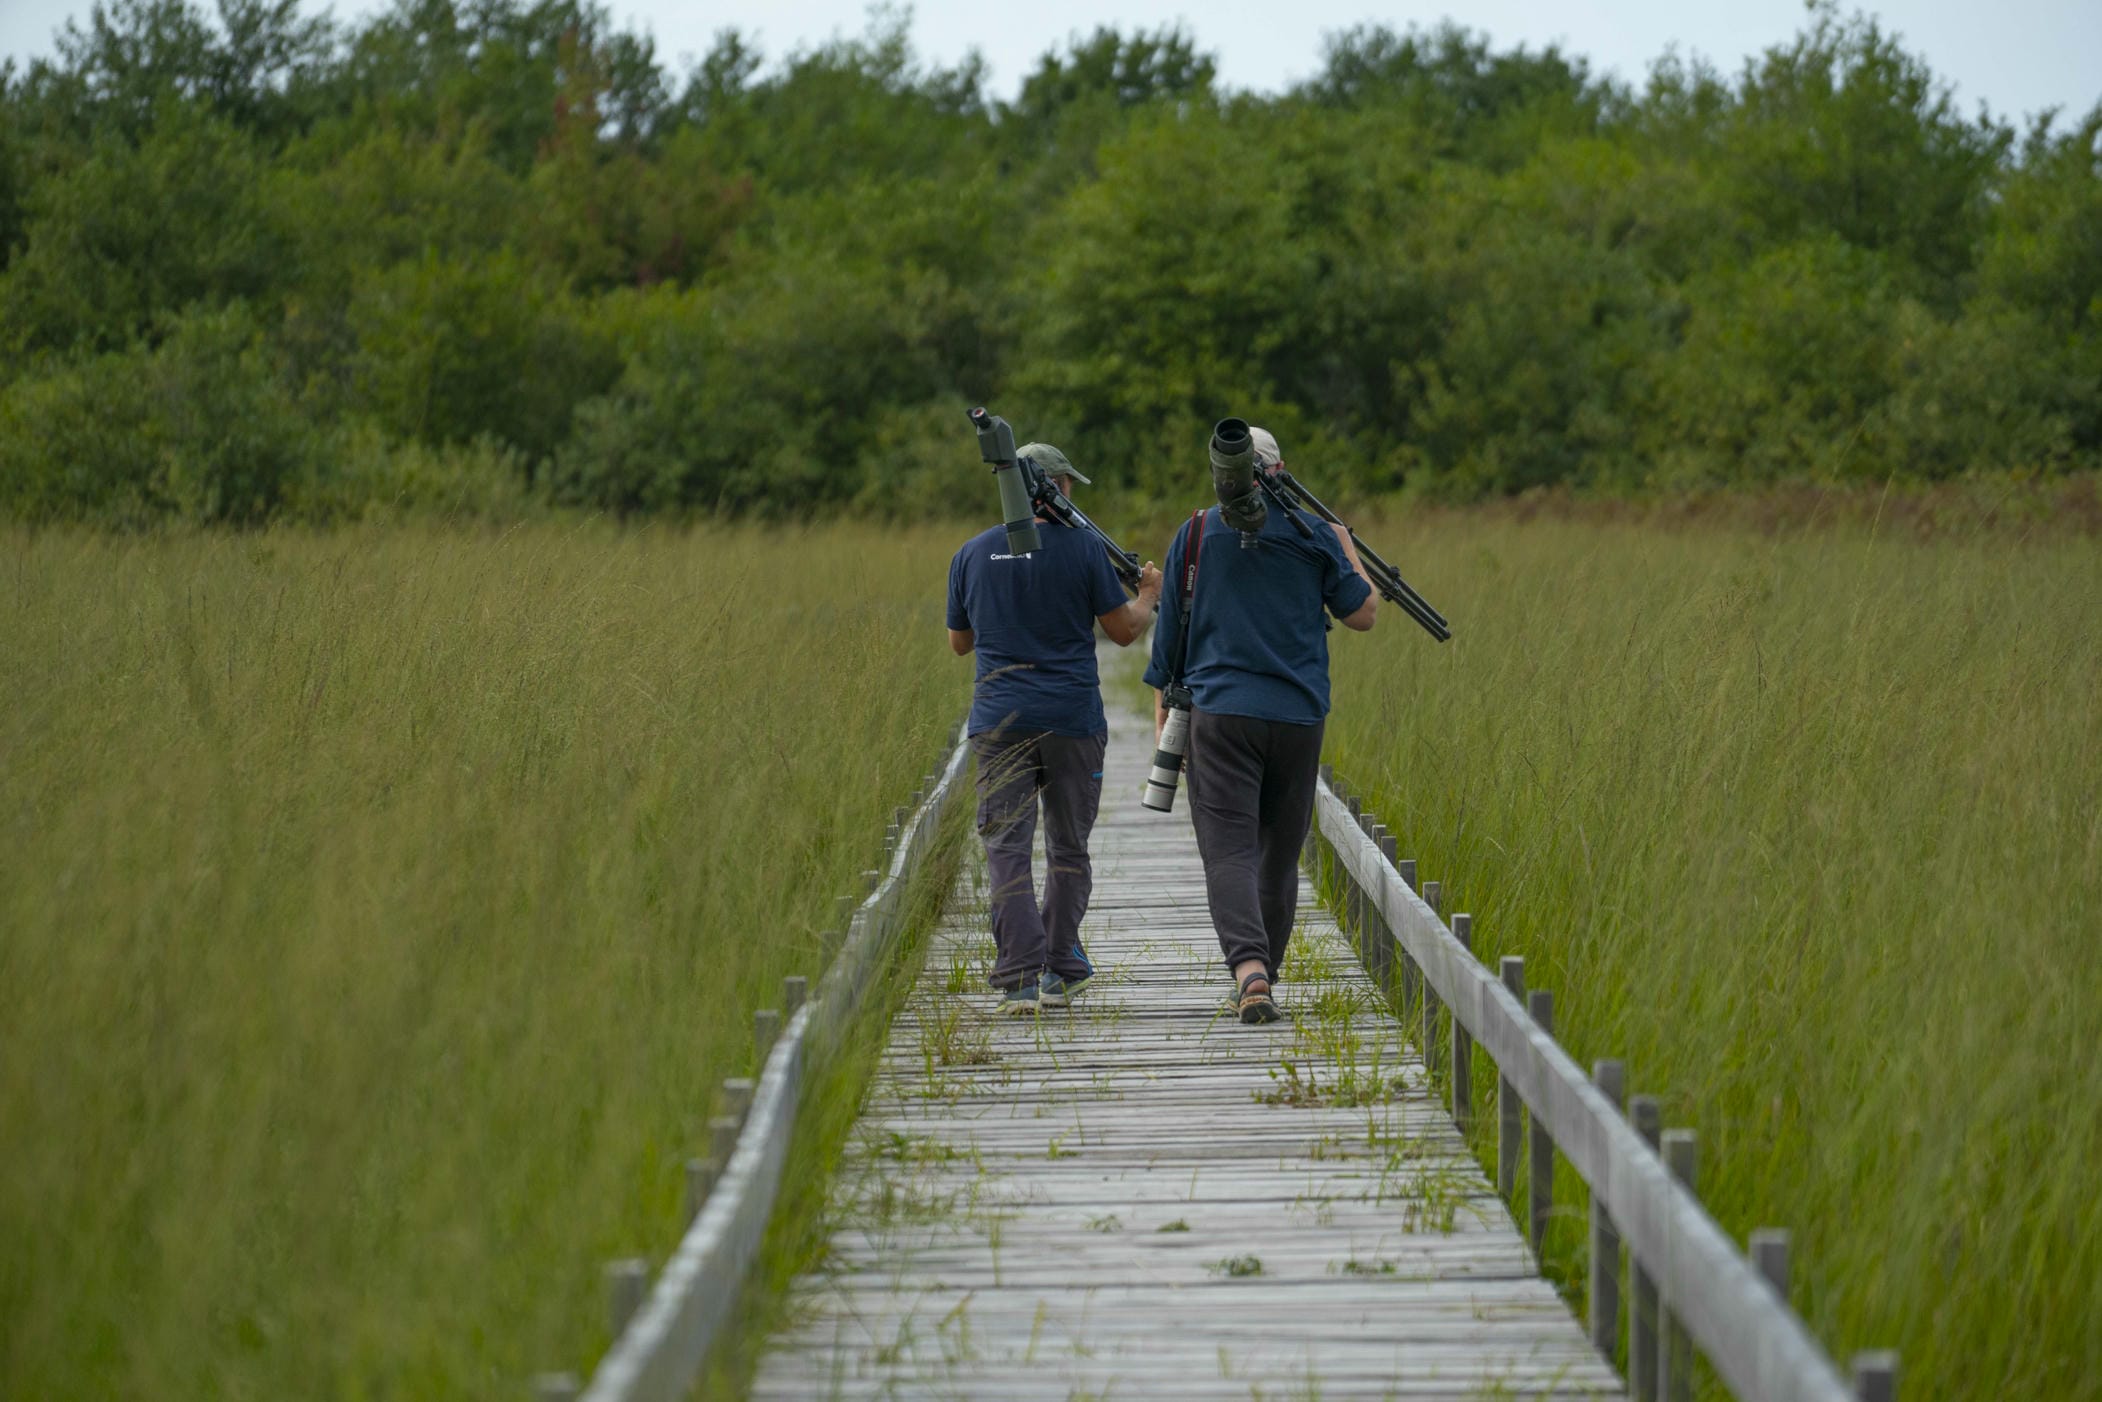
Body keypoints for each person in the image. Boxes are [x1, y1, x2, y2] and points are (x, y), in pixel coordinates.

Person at [1143, 425, 1376, 1023]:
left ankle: (1250, 974)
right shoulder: (1314, 534)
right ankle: (1264, 972)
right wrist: (1345, 546)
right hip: (1298, 716)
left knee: (1228, 851)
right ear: (1278, 471)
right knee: (1278, 854)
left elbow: (1169, 636)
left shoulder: (1194, 532)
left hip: (1220, 716)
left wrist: (1163, 715)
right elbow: (1364, 613)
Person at [947, 444, 1163, 1015]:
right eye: (1070, 485)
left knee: (1006, 848)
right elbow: (1122, 631)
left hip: (998, 721)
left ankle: (1019, 975)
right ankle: (1062, 965)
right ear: (1056, 487)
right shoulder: (1084, 548)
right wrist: (1146, 595)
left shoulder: (971, 553)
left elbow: (959, 642)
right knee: (1068, 847)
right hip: (1071, 719)